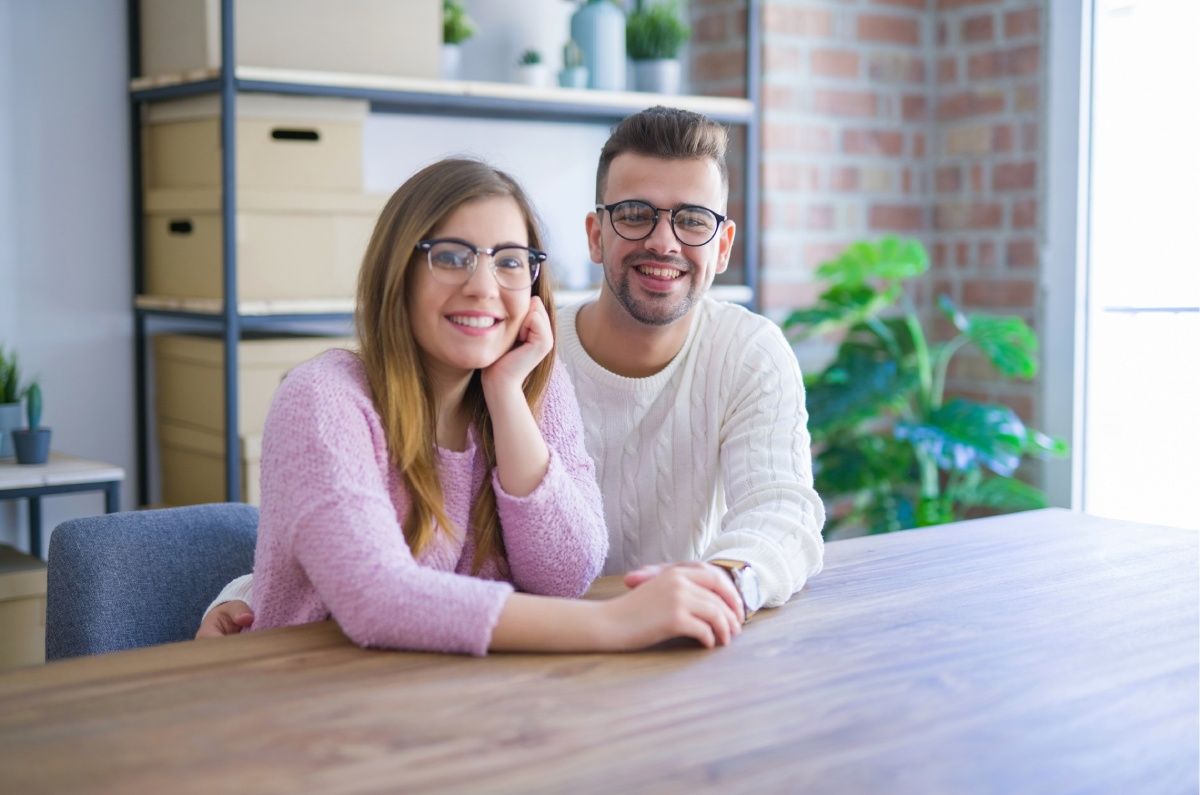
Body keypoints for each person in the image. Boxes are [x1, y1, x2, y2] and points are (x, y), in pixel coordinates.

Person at [199, 106, 822, 638]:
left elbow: (779, 511)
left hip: (604, 653)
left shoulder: (524, 371)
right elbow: (370, 561)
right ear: (595, 235)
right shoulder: (485, 363)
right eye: (635, 213)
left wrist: (723, 583)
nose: (663, 241)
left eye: (691, 220)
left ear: (723, 244)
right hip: (462, 664)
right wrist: (260, 589)